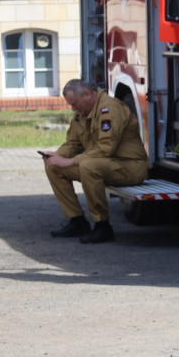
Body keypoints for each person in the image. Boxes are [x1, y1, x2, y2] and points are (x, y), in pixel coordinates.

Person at [42, 80, 149, 244]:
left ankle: (102, 226)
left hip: (130, 167)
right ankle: (77, 221)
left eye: (75, 103)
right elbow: (73, 143)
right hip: (105, 165)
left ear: (87, 94)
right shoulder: (82, 113)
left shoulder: (110, 109)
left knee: (88, 166)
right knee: (54, 167)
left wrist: (70, 161)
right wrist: (56, 156)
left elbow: (106, 148)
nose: (73, 109)